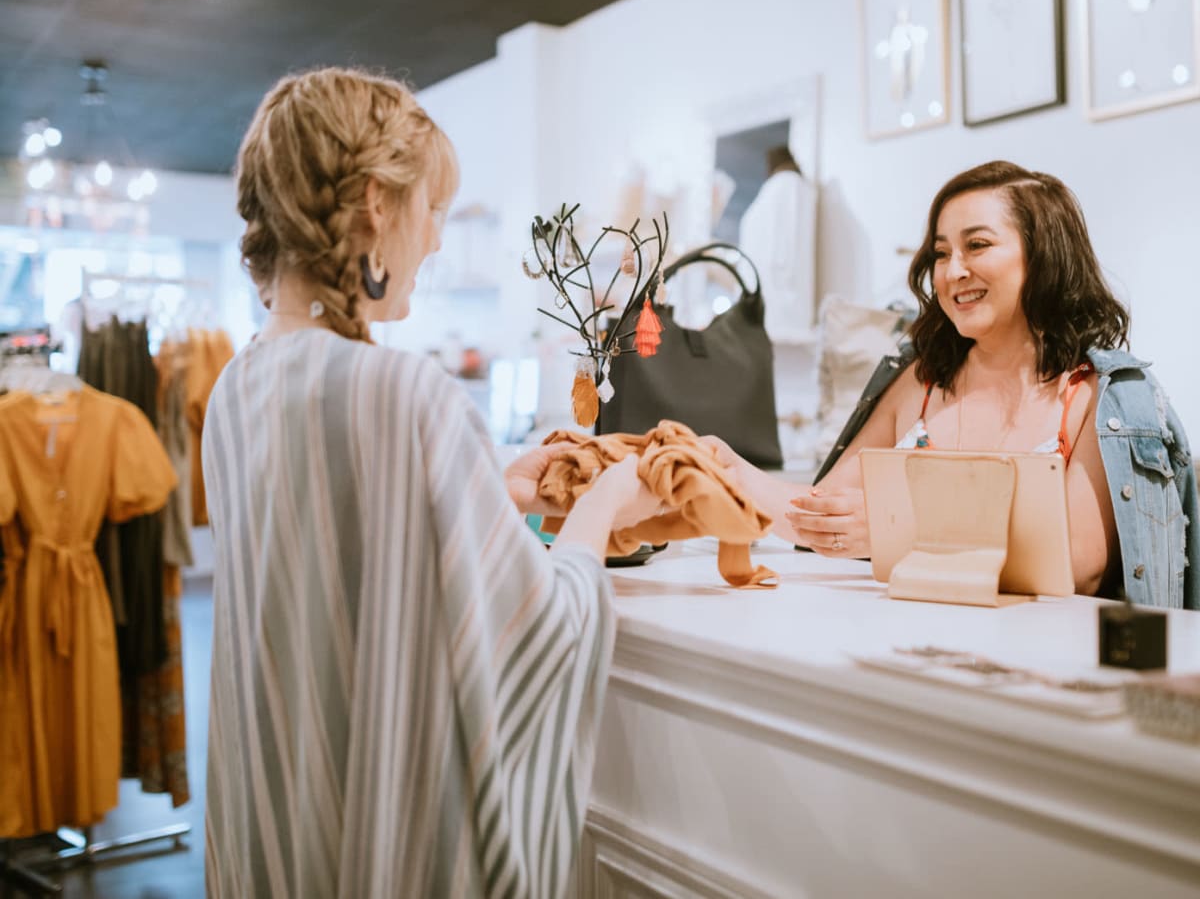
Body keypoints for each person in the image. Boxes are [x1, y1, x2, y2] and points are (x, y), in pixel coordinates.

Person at [202, 66, 660, 897]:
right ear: (377, 203)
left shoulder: (238, 386)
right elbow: (540, 633)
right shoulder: (404, 394)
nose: (437, 240)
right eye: (432, 210)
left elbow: (336, 552)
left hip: (278, 820)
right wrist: (601, 508)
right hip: (380, 846)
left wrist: (489, 486)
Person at [719, 160, 1197, 609]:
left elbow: (1078, 564)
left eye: (978, 245)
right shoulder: (918, 381)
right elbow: (819, 517)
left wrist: (898, 530)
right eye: (942, 252)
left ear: (1044, 255)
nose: (952, 271)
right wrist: (724, 468)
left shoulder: (1100, 396)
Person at [736, 144, 817, 338]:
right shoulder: (787, 187)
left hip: (779, 291)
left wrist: (782, 274)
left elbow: (787, 239)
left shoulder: (788, 185)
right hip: (776, 291)